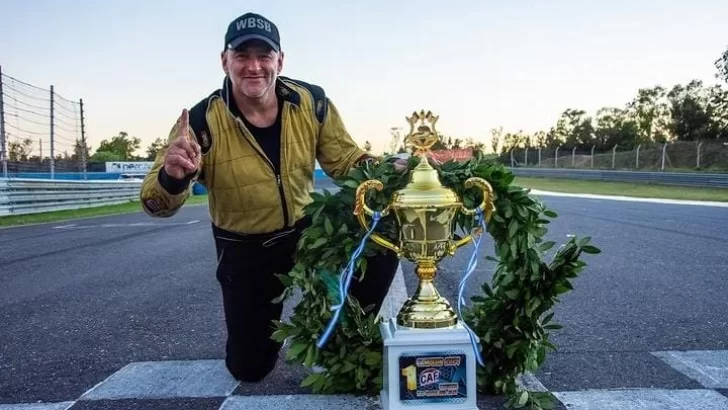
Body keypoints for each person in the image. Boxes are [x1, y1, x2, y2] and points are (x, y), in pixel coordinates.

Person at [139, 12, 400, 382]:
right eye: (242, 56)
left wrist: (392, 168)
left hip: (306, 233)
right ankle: (257, 338)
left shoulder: (311, 101)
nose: (254, 66)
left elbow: (345, 161)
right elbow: (154, 203)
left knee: (383, 233)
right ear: (224, 61)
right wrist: (173, 176)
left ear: (280, 60)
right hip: (245, 246)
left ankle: (344, 330)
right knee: (250, 369)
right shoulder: (198, 122)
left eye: (264, 56)